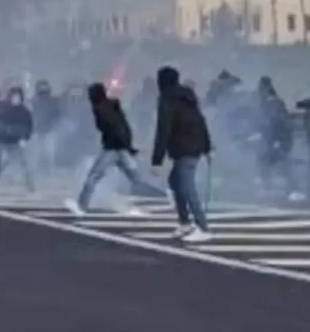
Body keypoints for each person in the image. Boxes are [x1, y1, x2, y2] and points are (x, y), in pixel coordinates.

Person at [66, 83, 162, 216]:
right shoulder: (112, 107)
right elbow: (123, 128)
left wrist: (124, 145)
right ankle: (163, 195)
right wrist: (128, 146)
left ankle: (82, 206)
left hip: (112, 148)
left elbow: (113, 129)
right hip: (120, 148)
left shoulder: (101, 109)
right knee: (136, 178)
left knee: (93, 176)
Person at [151, 66, 213, 242]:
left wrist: (157, 160)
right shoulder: (189, 98)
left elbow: (163, 129)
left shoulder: (166, 99)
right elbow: (201, 121)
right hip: (193, 147)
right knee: (176, 182)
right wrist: (207, 147)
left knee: (186, 187)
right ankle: (185, 222)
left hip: (183, 149)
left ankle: (202, 227)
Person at [0, 86, 35, 191]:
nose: (16, 99)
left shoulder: (24, 111)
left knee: (24, 164)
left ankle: (30, 185)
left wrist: (25, 138)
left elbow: (29, 127)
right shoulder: (2, 107)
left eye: (18, 97)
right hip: (2, 141)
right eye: (14, 97)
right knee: (1, 163)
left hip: (17, 142)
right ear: (10, 97)